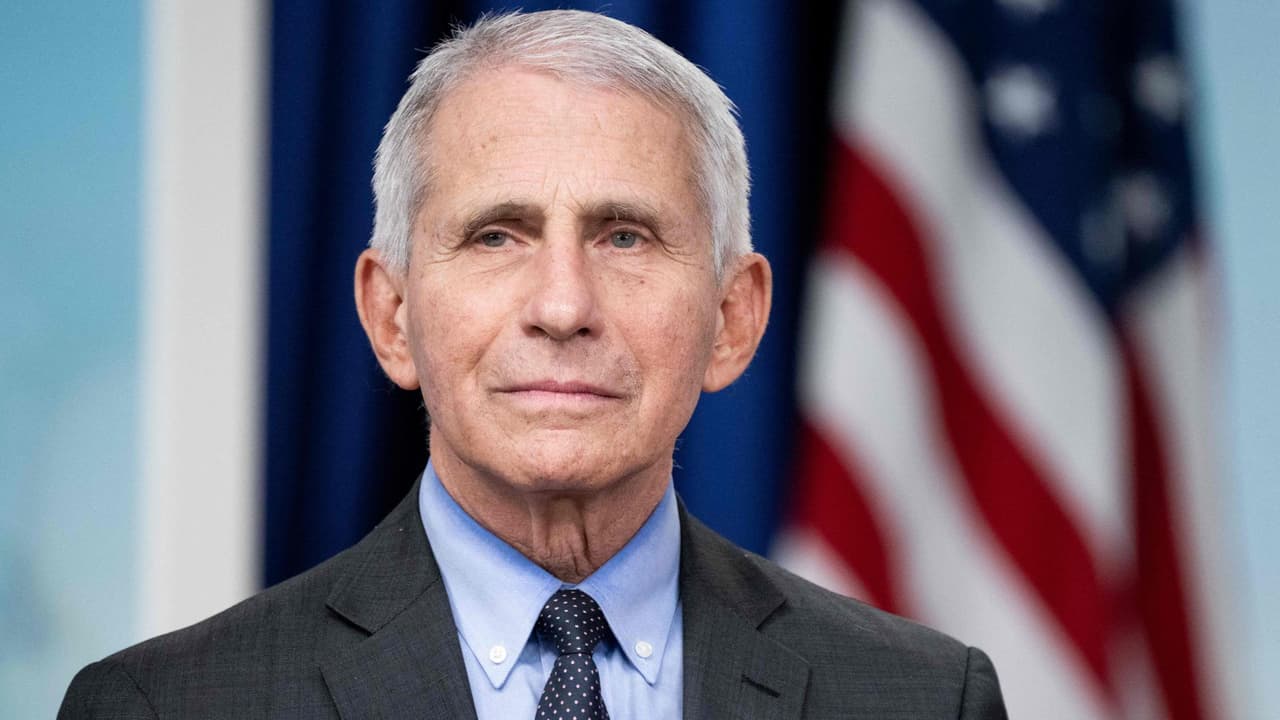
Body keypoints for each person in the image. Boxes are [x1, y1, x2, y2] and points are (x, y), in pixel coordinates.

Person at [59, 10, 1007, 719]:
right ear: (392, 316)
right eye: (496, 236)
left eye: (625, 236)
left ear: (732, 319)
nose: (562, 307)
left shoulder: (925, 701)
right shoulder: (165, 707)